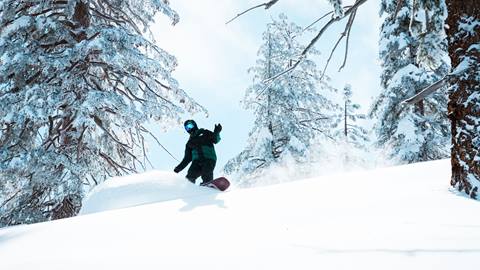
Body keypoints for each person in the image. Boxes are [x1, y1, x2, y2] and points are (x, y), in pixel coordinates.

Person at [174, 120, 222, 185]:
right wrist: (178, 168)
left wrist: (217, 132)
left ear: (195, 125)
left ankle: (207, 184)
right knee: (191, 174)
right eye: (187, 128)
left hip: (209, 158)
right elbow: (187, 159)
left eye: (190, 126)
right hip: (196, 161)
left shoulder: (204, 132)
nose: (189, 129)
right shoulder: (189, 143)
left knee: (206, 172)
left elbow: (216, 140)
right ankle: (189, 187)